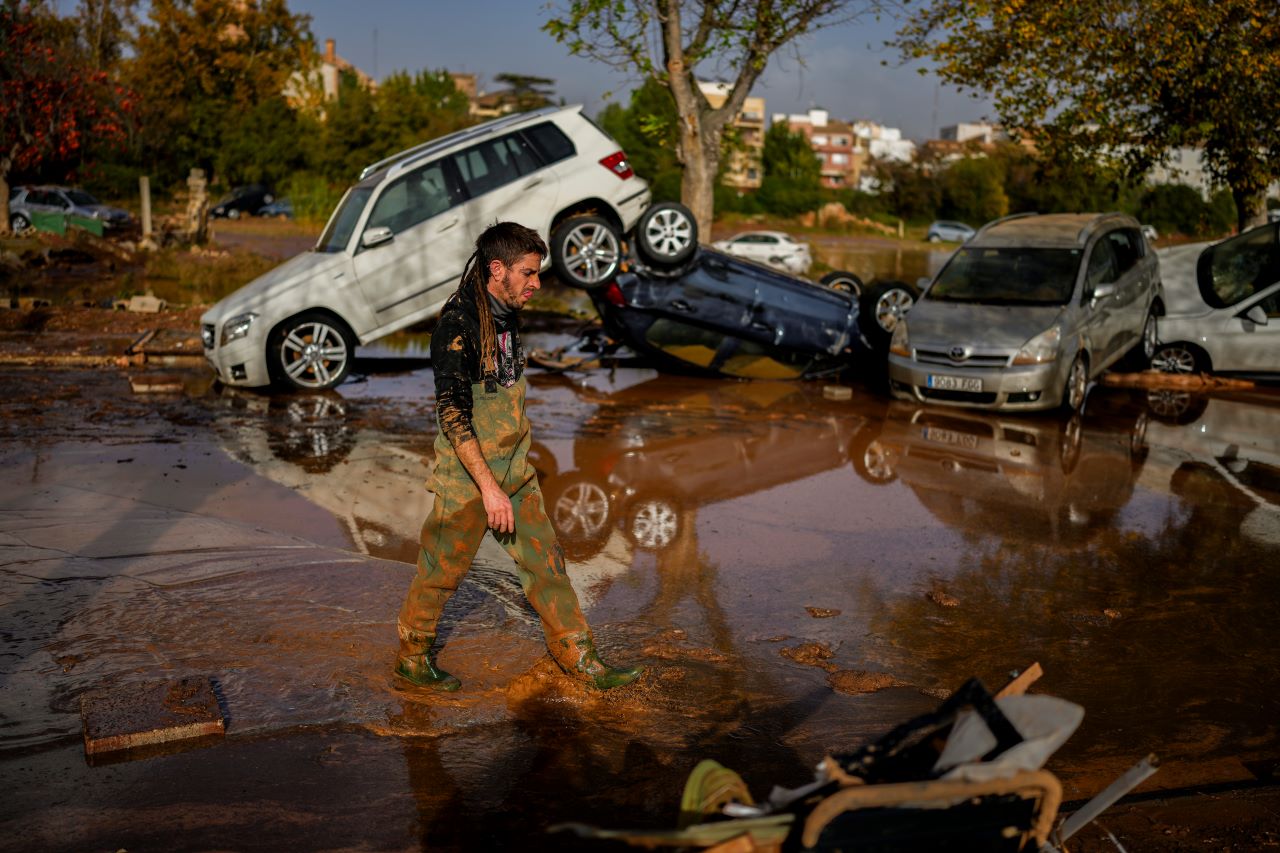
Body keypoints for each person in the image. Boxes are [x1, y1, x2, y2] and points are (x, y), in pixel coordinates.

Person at [395, 221, 643, 692]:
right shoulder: (457, 325)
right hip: (468, 479)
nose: (537, 283)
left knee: (546, 563)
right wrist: (489, 489)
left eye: (538, 273)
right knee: (440, 572)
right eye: (528, 273)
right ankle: (412, 657)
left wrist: (512, 477)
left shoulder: (507, 312)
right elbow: (452, 414)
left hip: (515, 471)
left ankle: (579, 657)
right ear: (497, 269)